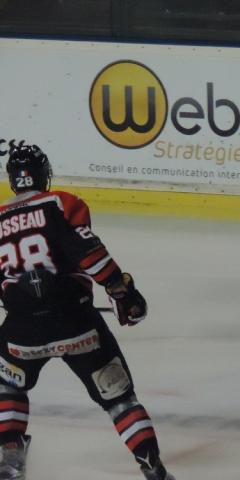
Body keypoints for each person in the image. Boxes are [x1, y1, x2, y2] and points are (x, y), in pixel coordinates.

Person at [0, 145, 174, 480]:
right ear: (43, 174)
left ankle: (10, 459)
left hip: (22, 331)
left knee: (7, 386)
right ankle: (153, 468)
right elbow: (89, 254)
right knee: (120, 400)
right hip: (76, 321)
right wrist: (121, 291)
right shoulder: (60, 202)